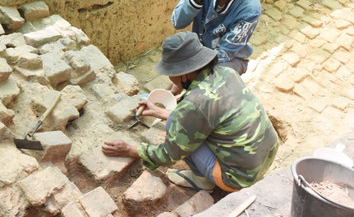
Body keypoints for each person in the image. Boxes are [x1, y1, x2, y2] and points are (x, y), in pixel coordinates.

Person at [102, 32, 278, 192]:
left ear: (183, 74)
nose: (169, 77)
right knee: (178, 121)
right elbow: (206, 116)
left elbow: (169, 155)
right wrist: (159, 112)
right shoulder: (226, 71)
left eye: (170, 72)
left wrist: (130, 149)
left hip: (239, 178)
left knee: (175, 126)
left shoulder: (195, 103)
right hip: (267, 155)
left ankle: (203, 181)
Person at [170, 0, 260, 92]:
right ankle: (176, 88)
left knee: (205, 85)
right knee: (172, 55)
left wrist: (190, 71)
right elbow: (177, 22)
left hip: (228, 60)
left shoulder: (249, 8)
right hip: (200, 50)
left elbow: (224, 53)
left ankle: (190, 98)